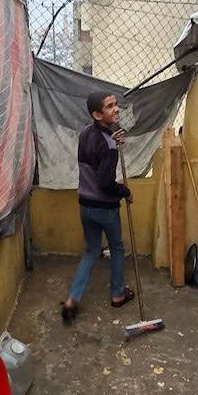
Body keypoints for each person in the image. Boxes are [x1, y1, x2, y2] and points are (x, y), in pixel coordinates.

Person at [61, 92, 134, 325]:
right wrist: (125, 192)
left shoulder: (85, 134)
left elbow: (96, 152)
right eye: (109, 106)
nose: (116, 109)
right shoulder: (109, 146)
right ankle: (117, 294)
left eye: (116, 104)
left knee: (92, 251)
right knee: (117, 248)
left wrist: (113, 138)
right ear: (97, 114)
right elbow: (105, 182)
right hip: (105, 208)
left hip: (85, 204)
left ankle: (72, 299)